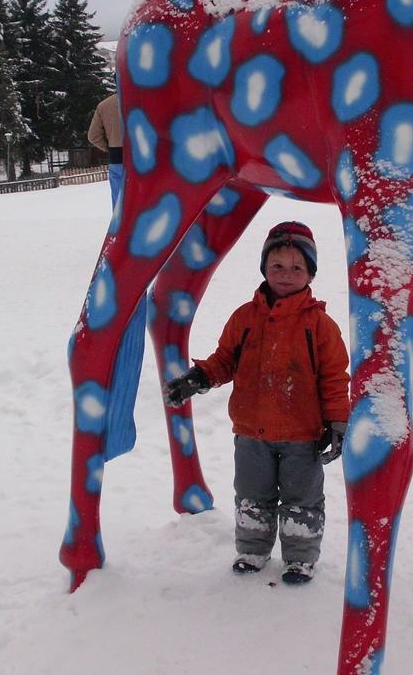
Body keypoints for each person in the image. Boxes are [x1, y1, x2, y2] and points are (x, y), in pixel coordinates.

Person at [163, 221, 350, 584]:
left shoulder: (320, 325)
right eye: (277, 266)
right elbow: (224, 360)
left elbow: (334, 377)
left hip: (302, 434)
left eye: (297, 268)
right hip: (251, 432)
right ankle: (252, 549)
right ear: (264, 267)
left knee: (302, 500)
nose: (286, 275)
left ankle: (299, 558)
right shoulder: (245, 318)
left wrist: (338, 421)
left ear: (310, 273)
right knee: (252, 495)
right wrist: (198, 378)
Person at [87, 92, 123, 207]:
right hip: (144, 161)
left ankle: (120, 224)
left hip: (117, 157)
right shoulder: (144, 99)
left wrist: (109, 147)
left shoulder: (104, 105)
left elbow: (93, 136)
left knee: (119, 202)